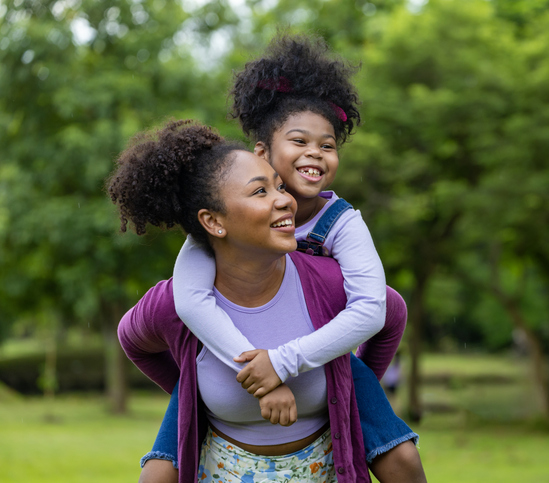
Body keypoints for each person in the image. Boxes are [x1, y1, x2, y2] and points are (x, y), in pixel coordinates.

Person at [140, 35, 427, 483]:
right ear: (261, 152)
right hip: (233, 355)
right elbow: (189, 300)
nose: (315, 152)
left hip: (318, 354)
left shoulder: (343, 224)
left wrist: (340, 376)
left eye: (327, 145)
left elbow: (378, 307)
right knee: (156, 474)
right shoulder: (221, 226)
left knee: (402, 461)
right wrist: (235, 374)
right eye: (299, 141)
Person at [109, 120, 397, 482]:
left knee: (403, 460)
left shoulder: (328, 281)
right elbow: (133, 341)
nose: (285, 199)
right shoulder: (177, 300)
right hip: (221, 466)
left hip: (322, 464)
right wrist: (192, 390)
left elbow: (388, 313)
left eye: (279, 185)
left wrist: (352, 381)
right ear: (213, 221)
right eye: (260, 192)